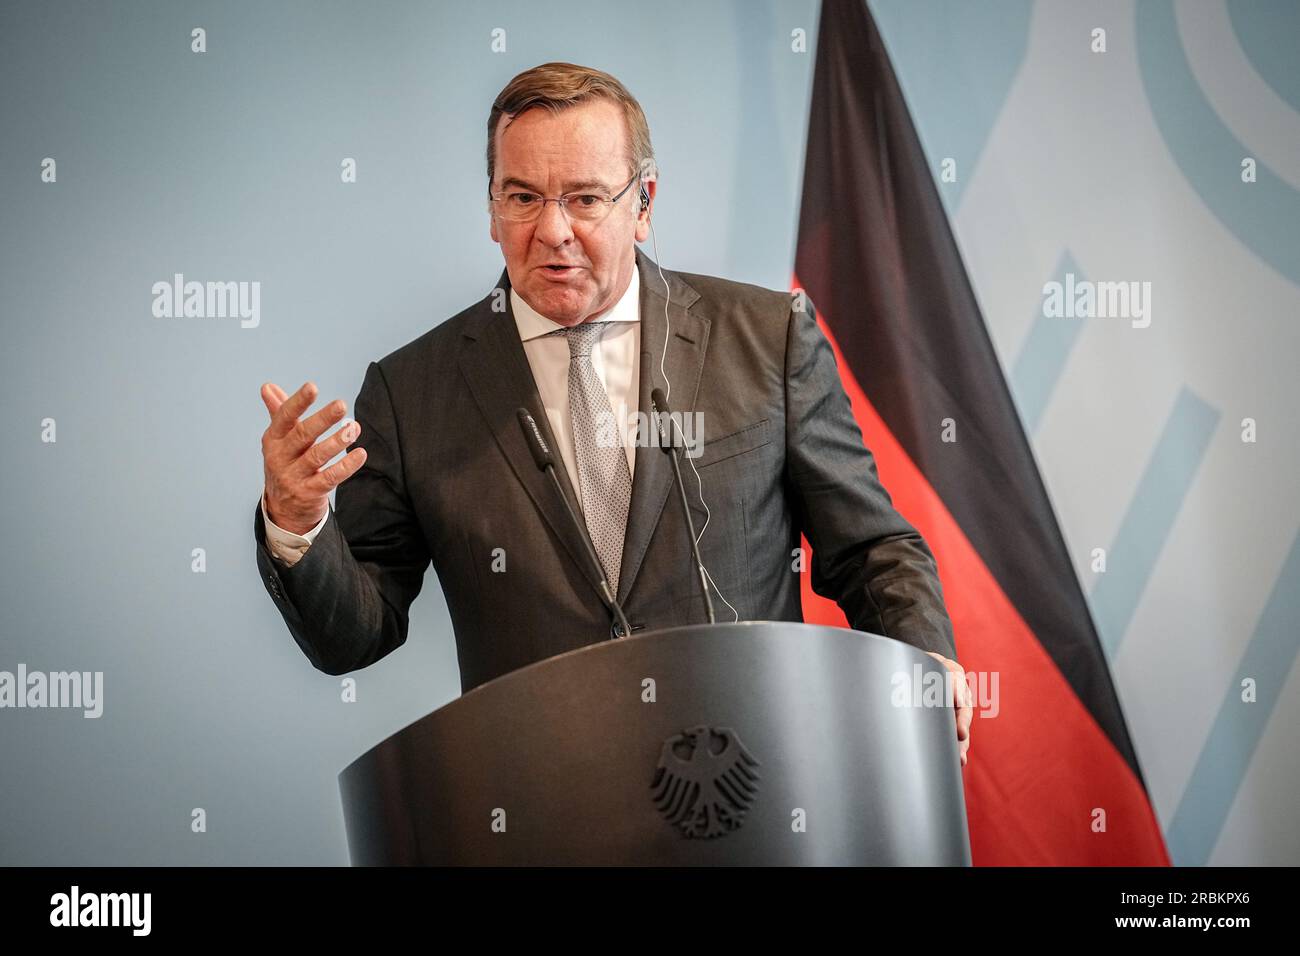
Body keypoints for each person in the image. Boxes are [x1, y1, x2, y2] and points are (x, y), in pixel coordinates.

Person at [255, 62, 971, 766]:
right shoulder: (414, 392)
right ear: (492, 208)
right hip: (544, 808)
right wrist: (297, 523)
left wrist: (925, 662)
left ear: (644, 203)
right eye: (523, 198)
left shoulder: (768, 338)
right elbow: (355, 634)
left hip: (753, 784)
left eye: (586, 199)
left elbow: (869, 550)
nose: (554, 231)